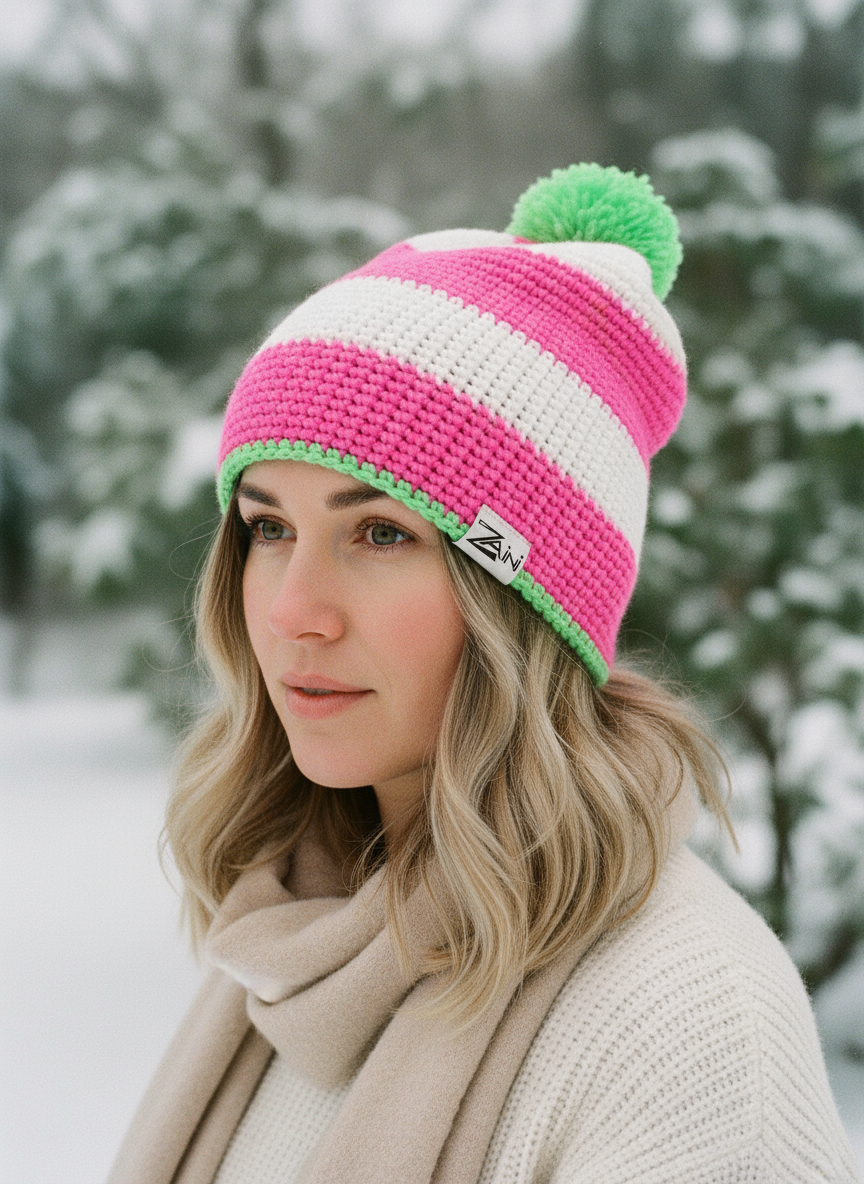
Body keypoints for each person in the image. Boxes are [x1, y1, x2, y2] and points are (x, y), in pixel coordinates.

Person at [108, 164, 857, 1184]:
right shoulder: (286, 935)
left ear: (523, 601)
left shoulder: (686, 1017)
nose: (291, 609)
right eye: (268, 526)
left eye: (379, 531)